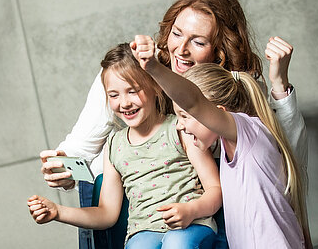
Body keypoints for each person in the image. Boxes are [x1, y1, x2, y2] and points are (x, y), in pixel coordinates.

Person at [40, 0, 308, 248]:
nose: (180, 49)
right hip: (135, 208)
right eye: (176, 34)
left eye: (198, 41)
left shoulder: (235, 92)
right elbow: (81, 147)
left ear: (220, 52)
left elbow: (285, 158)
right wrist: (66, 173)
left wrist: (280, 85)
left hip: (207, 209)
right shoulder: (133, 71)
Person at [28, 43, 222, 249]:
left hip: (193, 225)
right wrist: (58, 211)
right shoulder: (114, 146)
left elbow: (215, 189)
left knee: (176, 243)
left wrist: (191, 210)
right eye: (114, 95)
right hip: (143, 233)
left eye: (133, 91)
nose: (124, 103)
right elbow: (106, 214)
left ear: (156, 87)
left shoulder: (179, 129)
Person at [131, 35, 311, 248]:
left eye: (185, 116)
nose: (179, 125)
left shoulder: (248, 131)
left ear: (218, 113)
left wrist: (153, 67)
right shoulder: (229, 147)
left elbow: (194, 101)